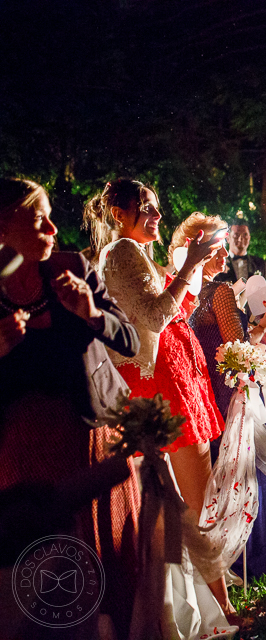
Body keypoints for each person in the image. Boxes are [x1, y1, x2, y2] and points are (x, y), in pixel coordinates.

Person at [83, 178, 236, 617]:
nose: (157, 216)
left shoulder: (136, 254)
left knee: (182, 501)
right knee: (190, 500)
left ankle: (199, 604)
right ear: (119, 215)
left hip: (174, 379)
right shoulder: (122, 253)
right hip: (160, 387)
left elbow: (171, 312)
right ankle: (215, 608)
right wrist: (188, 268)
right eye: (146, 209)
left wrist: (192, 271)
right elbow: (154, 315)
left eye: (155, 208)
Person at [0, 178, 140, 636]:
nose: (55, 229)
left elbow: (131, 340)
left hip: (87, 436)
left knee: (101, 561)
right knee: (41, 570)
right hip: (20, 454)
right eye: (41, 220)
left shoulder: (73, 267)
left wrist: (91, 313)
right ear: (4, 227)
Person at [177, 212, 266, 580]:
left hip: (197, 390)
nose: (223, 258)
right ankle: (249, 555)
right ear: (200, 251)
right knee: (241, 468)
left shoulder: (184, 295)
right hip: (229, 391)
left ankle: (215, 552)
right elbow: (238, 347)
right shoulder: (220, 292)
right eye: (217, 250)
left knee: (210, 476)